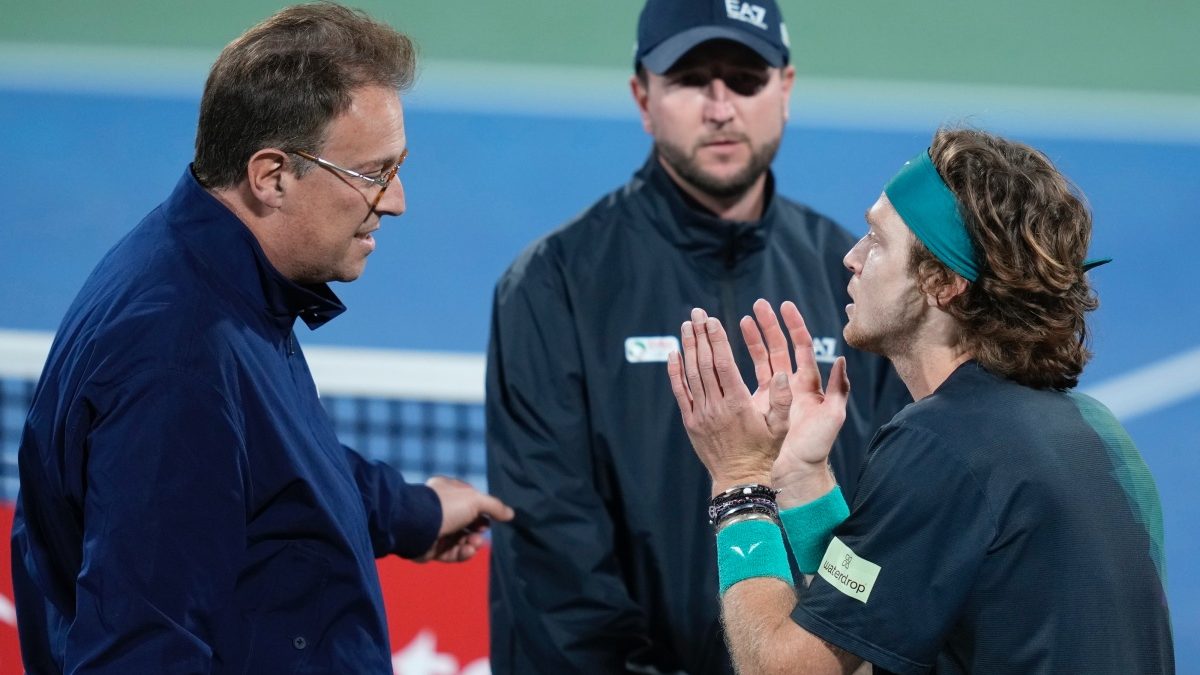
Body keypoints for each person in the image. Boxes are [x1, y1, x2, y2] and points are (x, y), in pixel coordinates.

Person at [10, 5, 512, 673]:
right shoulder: (178, 359)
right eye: (373, 173)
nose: (396, 201)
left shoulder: (213, 275)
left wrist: (411, 510)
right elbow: (143, 652)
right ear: (272, 175)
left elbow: (269, 463)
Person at [485, 0, 909, 671]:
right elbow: (553, 554)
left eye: (745, 80)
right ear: (642, 96)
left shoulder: (856, 279)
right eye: (690, 80)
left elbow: (892, 516)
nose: (721, 107)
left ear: (786, 89)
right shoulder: (555, 283)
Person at [669, 127, 1174, 673]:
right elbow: (866, 636)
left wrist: (740, 481)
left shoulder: (943, 444)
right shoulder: (1094, 429)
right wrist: (802, 478)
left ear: (942, 281)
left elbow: (784, 669)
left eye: (878, 241)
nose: (851, 257)